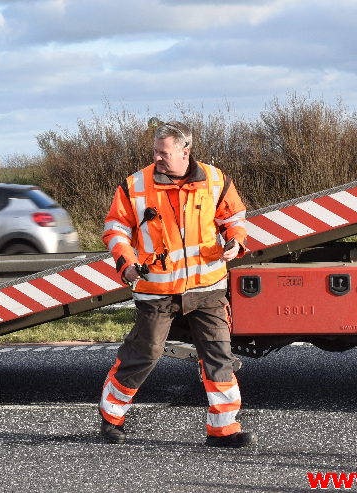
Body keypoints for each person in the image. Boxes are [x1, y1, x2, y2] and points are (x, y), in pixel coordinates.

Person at [99, 120, 257, 448]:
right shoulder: (135, 185)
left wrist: (236, 240)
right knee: (144, 354)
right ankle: (111, 416)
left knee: (218, 355)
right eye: (155, 152)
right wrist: (126, 263)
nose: (157, 157)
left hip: (207, 286)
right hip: (156, 289)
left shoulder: (215, 180)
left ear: (186, 152)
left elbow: (234, 219)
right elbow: (115, 229)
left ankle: (223, 429)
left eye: (164, 152)